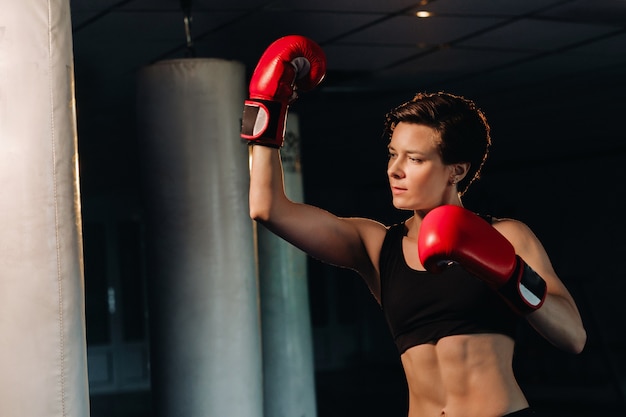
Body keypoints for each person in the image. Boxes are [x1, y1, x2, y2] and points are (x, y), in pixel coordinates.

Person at [242, 35, 587, 417]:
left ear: (456, 170)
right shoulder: (374, 245)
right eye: (393, 154)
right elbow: (266, 208)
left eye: (415, 159)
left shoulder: (507, 235)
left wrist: (507, 274)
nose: (395, 170)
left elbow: (573, 337)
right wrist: (267, 105)